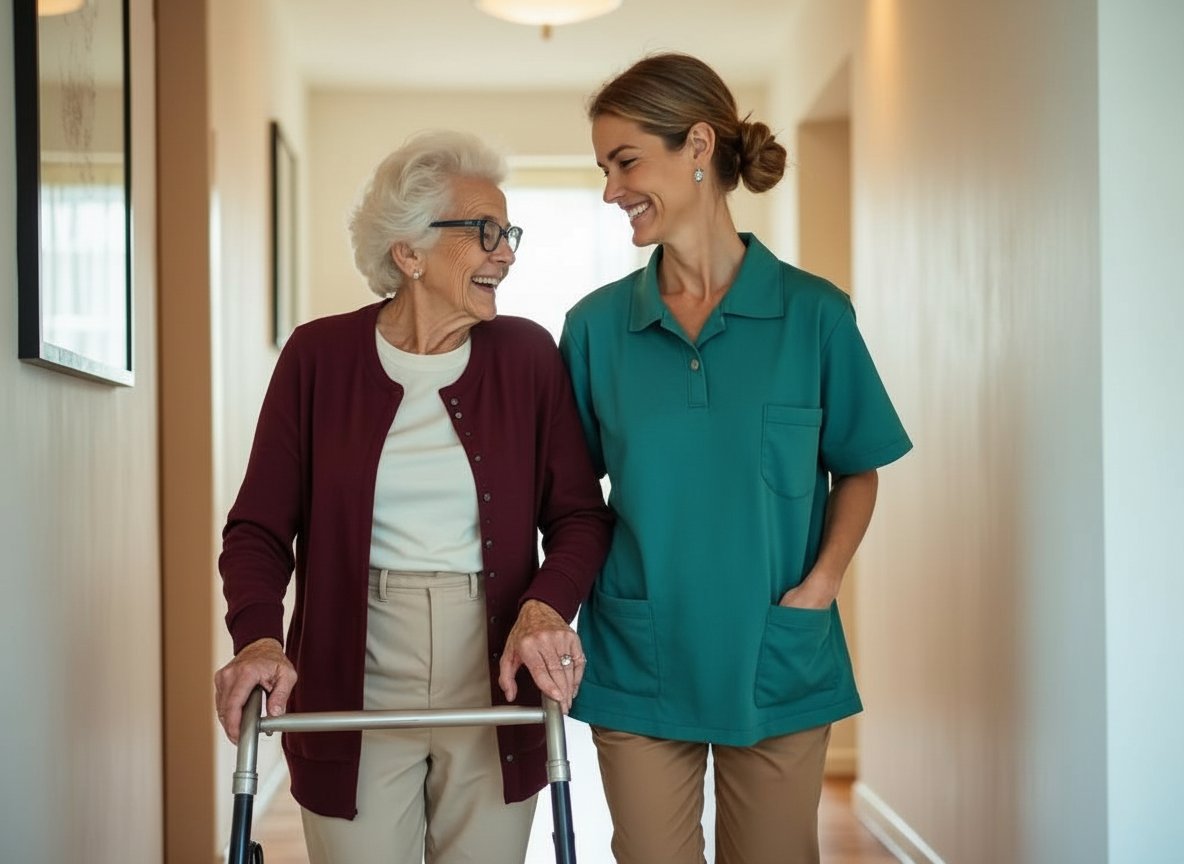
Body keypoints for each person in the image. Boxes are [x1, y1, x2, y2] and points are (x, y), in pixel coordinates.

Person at [213, 129, 613, 864]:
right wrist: (258, 635)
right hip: (351, 659)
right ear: (409, 252)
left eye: (509, 231)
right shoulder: (317, 357)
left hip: (493, 656)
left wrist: (546, 605)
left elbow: (580, 516)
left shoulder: (527, 357)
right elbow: (259, 530)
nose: (507, 253)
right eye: (485, 232)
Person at [559, 53, 913, 864]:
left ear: (697, 145)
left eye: (625, 162)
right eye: (604, 168)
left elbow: (859, 466)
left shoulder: (814, 315)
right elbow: (572, 501)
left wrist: (821, 587)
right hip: (640, 656)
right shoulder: (595, 329)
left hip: (777, 649)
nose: (611, 190)